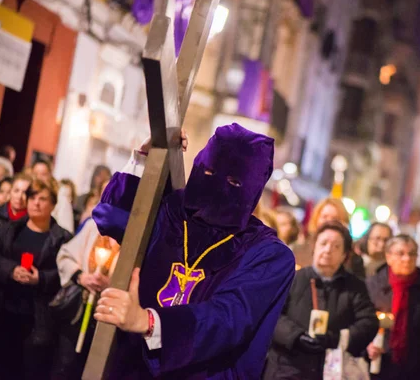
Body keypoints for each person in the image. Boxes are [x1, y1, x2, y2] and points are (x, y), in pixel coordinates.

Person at [91, 123, 296, 379]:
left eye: (233, 181)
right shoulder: (173, 212)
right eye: (208, 172)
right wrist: (147, 158)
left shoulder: (268, 254)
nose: (217, 186)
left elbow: (228, 318)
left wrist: (148, 322)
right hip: (132, 368)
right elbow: (112, 216)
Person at [264, 221, 378, 379]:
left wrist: (337, 339)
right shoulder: (293, 278)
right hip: (287, 368)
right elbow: (273, 314)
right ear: (314, 247)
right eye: (323, 243)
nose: (328, 250)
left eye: (336, 246)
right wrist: (296, 336)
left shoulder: (355, 286)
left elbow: (368, 322)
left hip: (332, 371)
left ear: (345, 255)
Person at [0, 179, 73, 380]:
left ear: (53, 204)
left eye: (43, 199)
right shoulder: (11, 229)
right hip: (2, 311)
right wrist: (11, 270)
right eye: (32, 197)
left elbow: (66, 273)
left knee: (25, 371)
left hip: (37, 318)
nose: (36, 203)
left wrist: (41, 278)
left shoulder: (61, 238)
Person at [366, 235, 420, 380]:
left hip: (416, 369)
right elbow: (360, 322)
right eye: (400, 253)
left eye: (412, 253)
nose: (407, 259)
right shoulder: (372, 286)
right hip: (377, 365)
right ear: (388, 257)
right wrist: (367, 345)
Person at [53, 217, 120, 379]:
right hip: (78, 311)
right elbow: (65, 256)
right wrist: (81, 277)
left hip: (106, 318)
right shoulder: (94, 227)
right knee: (66, 364)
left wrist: (109, 284)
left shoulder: (133, 237)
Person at [0, 173, 32, 238]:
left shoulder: (34, 223)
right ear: (11, 192)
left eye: (25, 193)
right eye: (16, 191)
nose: (19, 196)